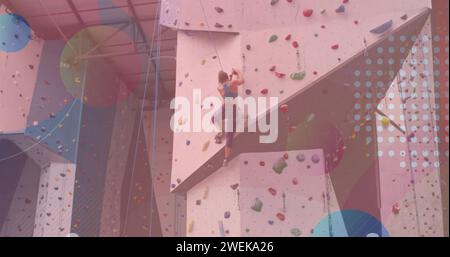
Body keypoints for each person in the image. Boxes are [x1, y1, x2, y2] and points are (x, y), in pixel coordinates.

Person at [214, 68, 245, 167]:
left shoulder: (219, 88)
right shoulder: (233, 82)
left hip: (225, 108)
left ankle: (220, 131)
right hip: (233, 110)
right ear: (227, 77)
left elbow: (226, 86)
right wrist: (238, 72)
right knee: (229, 135)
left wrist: (231, 77)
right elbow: (242, 81)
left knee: (213, 118)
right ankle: (226, 159)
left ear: (219, 80)